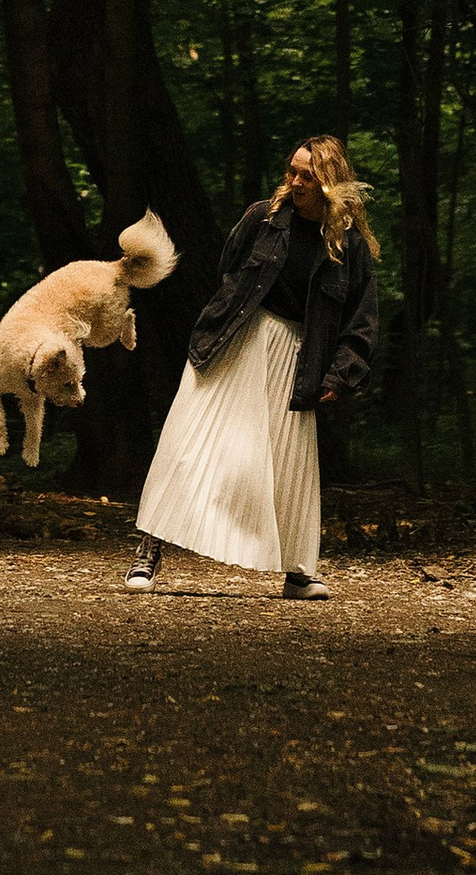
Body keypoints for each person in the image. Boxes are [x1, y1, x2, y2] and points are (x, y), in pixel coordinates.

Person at [125, 134, 380, 602]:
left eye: (309, 175)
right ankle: (148, 551)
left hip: (297, 356)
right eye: (293, 172)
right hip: (233, 341)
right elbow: (230, 269)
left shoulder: (349, 246)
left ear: (330, 183)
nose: (297, 182)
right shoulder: (263, 218)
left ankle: (298, 572)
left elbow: (360, 321)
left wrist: (340, 375)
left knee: (288, 461)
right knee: (190, 442)